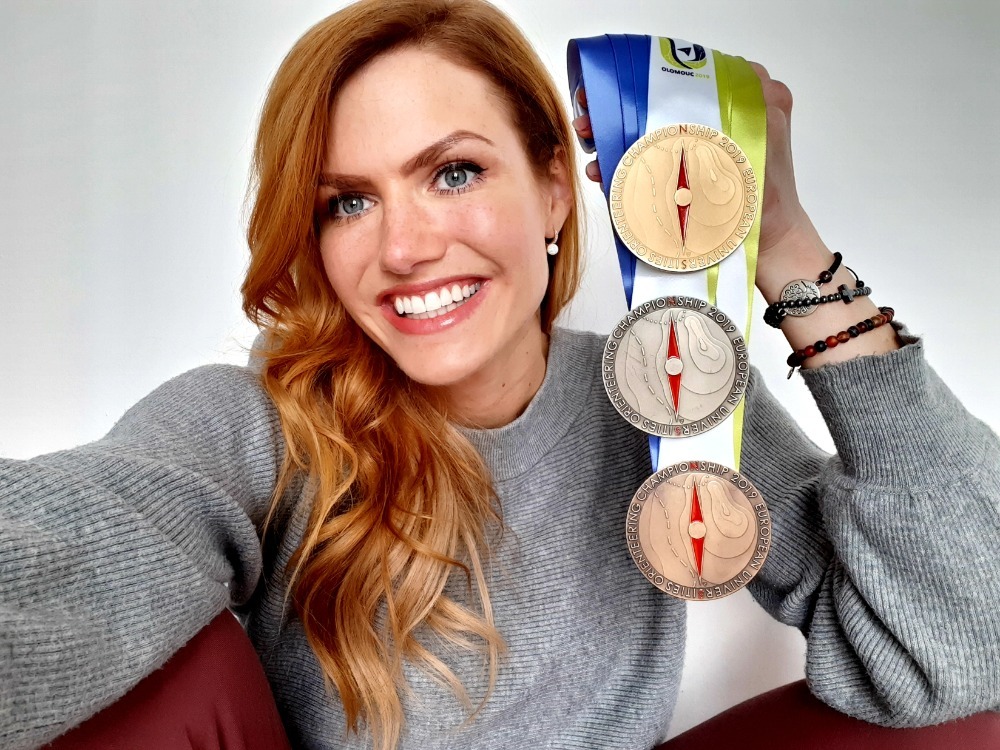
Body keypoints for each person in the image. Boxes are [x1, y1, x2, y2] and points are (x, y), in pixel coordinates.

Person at [2, 1, 998, 748]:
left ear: (554, 188)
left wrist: (782, 240)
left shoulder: (659, 382)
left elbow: (958, 640)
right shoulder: (252, 425)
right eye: (348, 202)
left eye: (453, 173)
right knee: (173, 672)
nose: (403, 248)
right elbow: (63, 547)